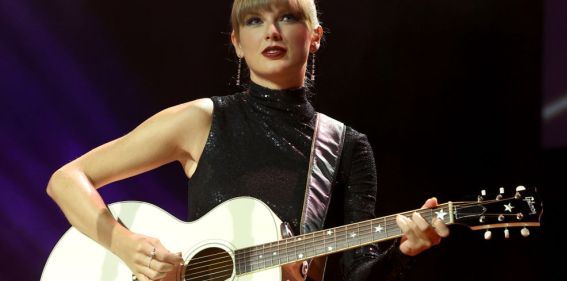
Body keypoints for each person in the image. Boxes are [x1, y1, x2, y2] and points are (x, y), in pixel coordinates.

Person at [46, 0, 449, 280]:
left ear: (315, 36)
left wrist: (403, 252)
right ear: (236, 42)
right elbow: (66, 180)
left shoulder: (346, 145)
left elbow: (356, 273)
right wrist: (126, 246)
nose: (271, 32)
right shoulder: (201, 120)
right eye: (254, 21)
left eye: (287, 17)